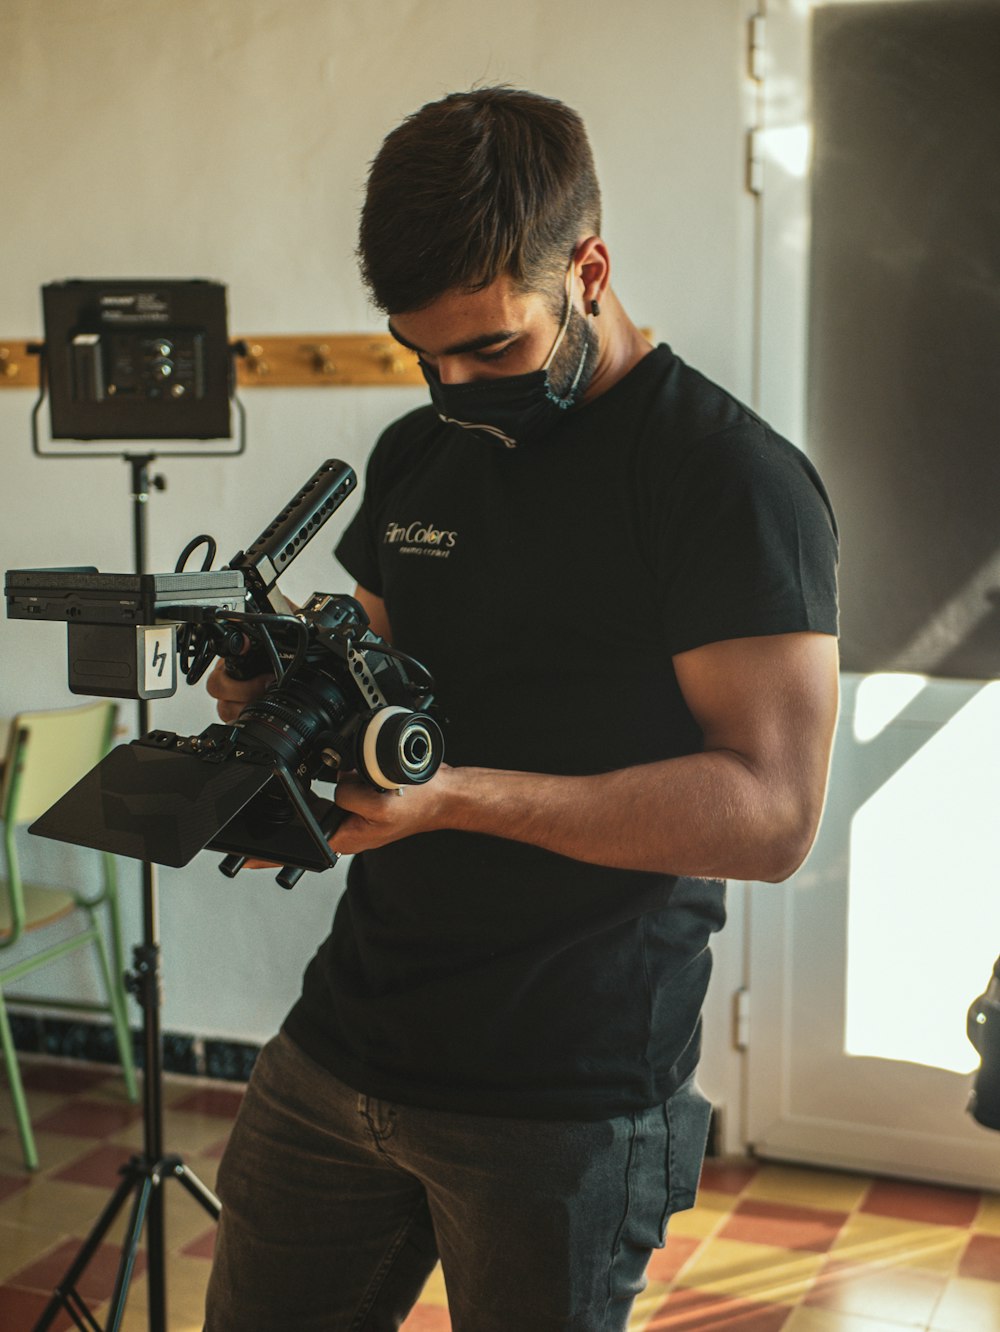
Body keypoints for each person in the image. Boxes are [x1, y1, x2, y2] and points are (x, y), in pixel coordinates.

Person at [203, 87, 839, 1331]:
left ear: (588, 269)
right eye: (418, 353)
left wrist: (456, 799)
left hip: (568, 1095)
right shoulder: (417, 451)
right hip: (344, 1042)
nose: (451, 382)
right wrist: (279, 690)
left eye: (489, 348)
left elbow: (770, 816)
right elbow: (368, 679)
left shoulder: (729, 483)